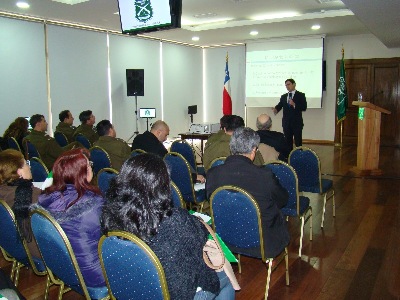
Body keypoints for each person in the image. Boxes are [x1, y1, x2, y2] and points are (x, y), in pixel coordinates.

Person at [101, 153, 235, 300]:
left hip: (134, 289)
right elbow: (200, 237)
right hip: (177, 294)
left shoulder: (110, 215)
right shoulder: (175, 220)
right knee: (225, 280)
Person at [206, 127, 290, 259]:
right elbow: (283, 200)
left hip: (224, 238)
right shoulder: (265, 176)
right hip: (262, 243)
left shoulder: (213, 173)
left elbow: (210, 199)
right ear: (253, 150)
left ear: (231, 147)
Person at [34, 148, 106, 288]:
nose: (91, 167)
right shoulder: (94, 205)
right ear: (80, 173)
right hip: (94, 274)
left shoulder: (47, 199)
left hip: (62, 266)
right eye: (88, 164)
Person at [0, 149, 41, 258]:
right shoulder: (33, 195)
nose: (29, 167)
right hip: (37, 249)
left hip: (14, 246)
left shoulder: (3, 191)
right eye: (26, 164)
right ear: (19, 172)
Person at [272, 78, 307, 151]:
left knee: (298, 141)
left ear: (294, 84)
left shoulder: (300, 95)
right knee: (288, 141)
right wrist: (275, 109)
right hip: (286, 122)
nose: (287, 86)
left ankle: (299, 155)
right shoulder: (284, 96)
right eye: (286, 85)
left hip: (297, 122)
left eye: (289, 84)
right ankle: (288, 156)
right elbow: (280, 105)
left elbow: (304, 107)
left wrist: (294, 104)